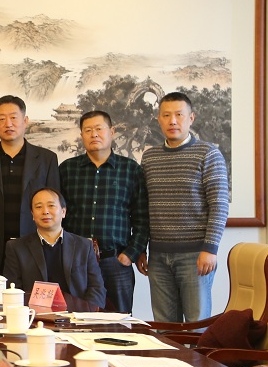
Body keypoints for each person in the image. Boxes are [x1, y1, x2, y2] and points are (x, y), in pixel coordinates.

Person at [139, 91, 229, 323]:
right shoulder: (150, 158)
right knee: (164, 325)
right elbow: (143, 206)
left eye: (179, 115)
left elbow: (219, 205)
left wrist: (210, 249)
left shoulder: (208, 154)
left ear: (191, 118)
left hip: (196, 255)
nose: (173, 121)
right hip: (158, 256)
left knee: (196, 324)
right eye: (166, 115)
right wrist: (141, 248)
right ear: (158, 119)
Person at [59, 110, 149, 313]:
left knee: (120, 321)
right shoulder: (67, 169)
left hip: (116, 261)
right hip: (76, 261)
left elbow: (142, 219)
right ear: (81, 135)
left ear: (112, 131)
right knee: (76, 318)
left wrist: (130, 254)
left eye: (99, 129)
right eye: (88, 130)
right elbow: (58, 217)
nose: (94, 134)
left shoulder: (130, 170)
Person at [0, 95, 60, 275]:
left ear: (25, 121)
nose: (8, 124)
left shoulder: (46, 159)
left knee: (33, 291)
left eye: (14, 117)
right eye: (2, 119)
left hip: (35, 242)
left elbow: (55, 204)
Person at [3, 188, 106, 308]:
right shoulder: (16, 248)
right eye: (38, 207)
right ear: (32, 214)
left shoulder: (84, 246)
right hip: (34, 315)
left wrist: (85, 313)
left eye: (51, 205)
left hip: (77, 315)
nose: (45, 211)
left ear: (63, 212)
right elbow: (13, 290)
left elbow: (96, 288)